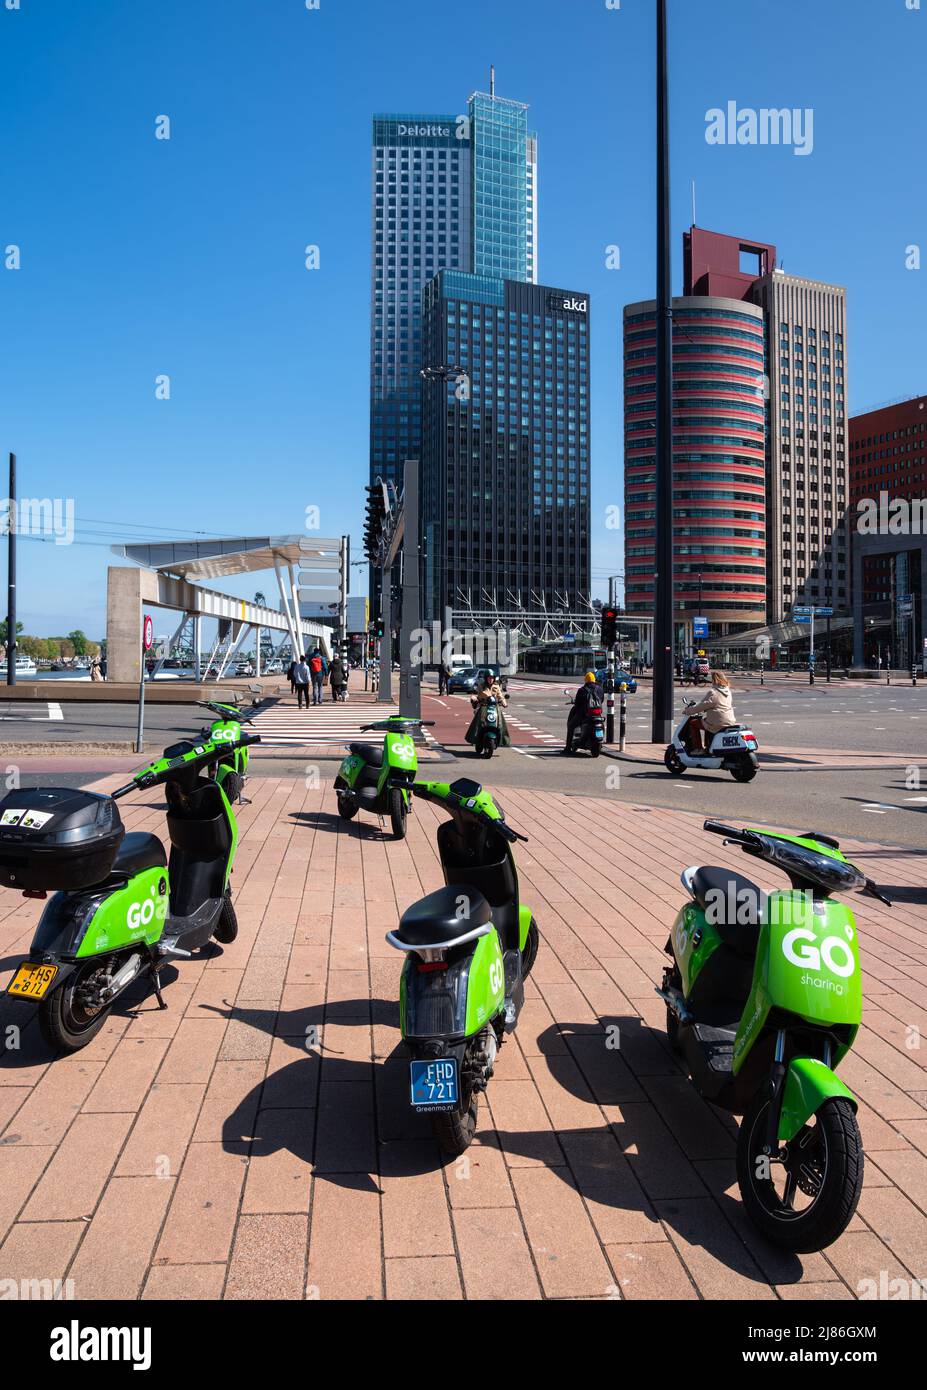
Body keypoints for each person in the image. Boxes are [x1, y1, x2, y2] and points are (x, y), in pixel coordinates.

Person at [684, 670, 736, 753]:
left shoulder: (713, 692)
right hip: (729, 721)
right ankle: (708, 746)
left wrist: (688, 711)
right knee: (706, 722)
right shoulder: (728, 691)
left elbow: (702, 705)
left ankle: (698, 749)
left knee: (693, 723)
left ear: (714, 680)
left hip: (717, 723)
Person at [465, 669, 510, 749]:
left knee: (500, 721)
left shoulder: (496, 687)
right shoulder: (481, 686)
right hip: (483, 706)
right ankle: (474, 737)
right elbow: (475, 694)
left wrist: (504, 702)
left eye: (492, 678)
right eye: (489, 678)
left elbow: (500, 696)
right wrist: (474, 698)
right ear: (486, 678)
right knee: (478, 721)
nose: (491, 679)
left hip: (494, 707)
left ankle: (503, 739)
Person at [563, 671, 604, 754]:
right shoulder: (600, 689)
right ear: (594, 679)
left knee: (571, 725)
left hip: (585, 715)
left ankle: (568, 748)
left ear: (586, 680)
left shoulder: (582, 690)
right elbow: (601, 700)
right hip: (597, 714)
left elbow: (577, 704)